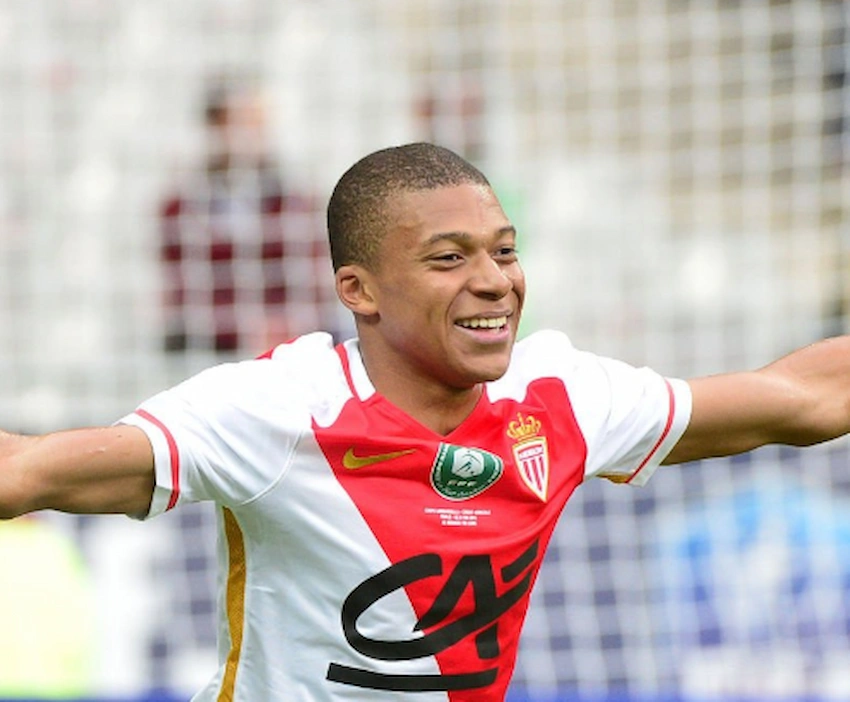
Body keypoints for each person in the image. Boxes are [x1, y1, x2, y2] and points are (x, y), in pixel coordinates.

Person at [1, 142, 849, 701]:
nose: (495, 280)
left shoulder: (563, 397)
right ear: (359, 290)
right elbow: (25, 473)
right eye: (450, 258)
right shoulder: (277, 409)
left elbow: (803, 399)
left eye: (505, 250)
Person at [159, 81, 340, 354]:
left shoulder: (293, 204)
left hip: (285, 341)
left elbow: (310, 282)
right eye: (240, 122)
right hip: (211, 342)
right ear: (215, 128)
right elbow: (182, 290)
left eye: (258, 124)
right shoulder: (181, 208)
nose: (251, 135)